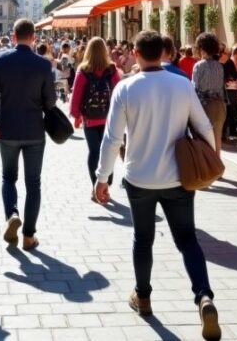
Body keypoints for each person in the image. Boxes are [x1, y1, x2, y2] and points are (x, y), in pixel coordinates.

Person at [94, 31, 220, 339]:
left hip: (139, 177)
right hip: (178, 176)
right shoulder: (181, 84)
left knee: (143, 239)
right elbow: (204, 125)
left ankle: (144, 296)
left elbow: (112, 139)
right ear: (163, 52)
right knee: (187, 239)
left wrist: (101, 177)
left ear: (136, 52)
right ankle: (204, 296)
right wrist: (211, 158)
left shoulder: (125, 88)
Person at [0, 19, 55, 251]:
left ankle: (12, 214)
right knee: (33, 183)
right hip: (35, 130)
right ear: (33, 37)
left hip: (8, 129)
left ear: (13, 37)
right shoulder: (43, 65)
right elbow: (51, 101)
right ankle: (28, 236)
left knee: (8, 177)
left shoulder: (0, 60)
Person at [69, 37, 121, 192]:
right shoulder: (111, 69)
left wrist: (76, 116)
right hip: (109, 118)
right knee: (108, 151)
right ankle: (106, 184)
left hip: (90, 119)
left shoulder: (84, 70)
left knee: (94, 151)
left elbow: (76, 95)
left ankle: (95, 185)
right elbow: (118, 92)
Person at [191, 33, 226, 153]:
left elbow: (194, 88)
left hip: (205, 105)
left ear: (200, 48)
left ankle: (207, 167)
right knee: (217, 138)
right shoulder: (219, 66)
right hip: (219, 104)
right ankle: (217, 166)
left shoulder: (199, 65)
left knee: (204, 139)